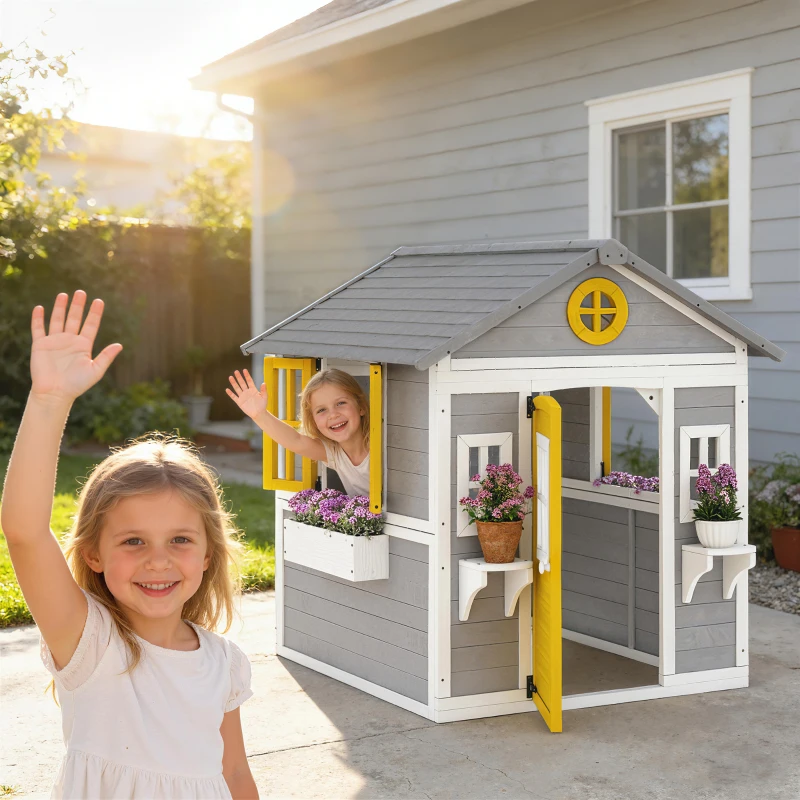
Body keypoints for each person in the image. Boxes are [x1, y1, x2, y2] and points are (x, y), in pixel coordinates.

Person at [1, 291, 259, 799]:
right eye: (133, 540)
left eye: (180, 540)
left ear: (208, 555)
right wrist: (49, 401)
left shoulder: (225, 662)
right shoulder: (90, 644)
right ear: (94, 553)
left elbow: (234, 775)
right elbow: (24, 532)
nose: (158, 560)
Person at [227, 367, 370, 498]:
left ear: (361, 407)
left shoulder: (381, 445)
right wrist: (260, 415)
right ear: (313, 421)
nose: (333, 415)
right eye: (321, 410)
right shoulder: (334, 452)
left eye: (341, 403)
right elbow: (296, 441)